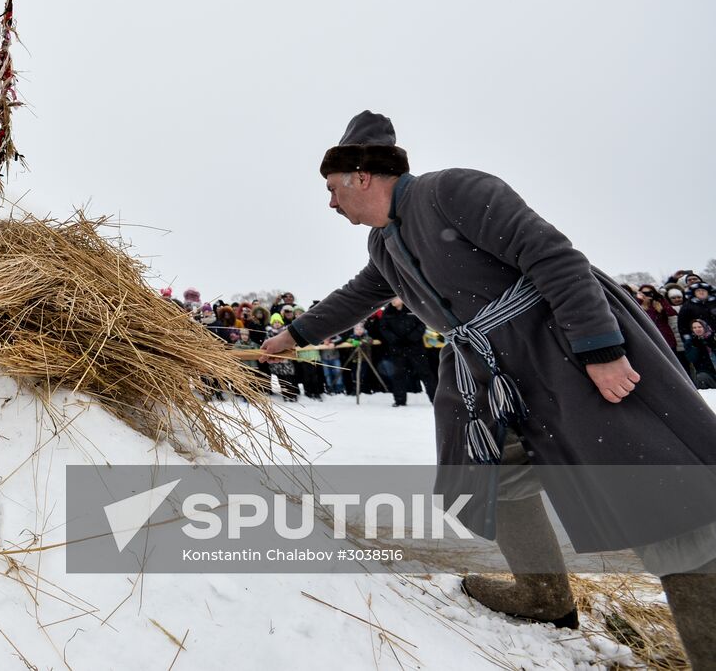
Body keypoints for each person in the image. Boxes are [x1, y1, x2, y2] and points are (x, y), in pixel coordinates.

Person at [258, 110, 716, 666]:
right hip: (488, 367)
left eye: (332, 189)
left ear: (360, 175)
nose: (330, 203)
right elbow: (358, 295)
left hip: (559, 348)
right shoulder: (384, 245)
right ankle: (541, 592)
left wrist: (600, 350)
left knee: (660, 487)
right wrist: (293, 335)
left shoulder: (453, 191)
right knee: (490, 465)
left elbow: (555, 257)